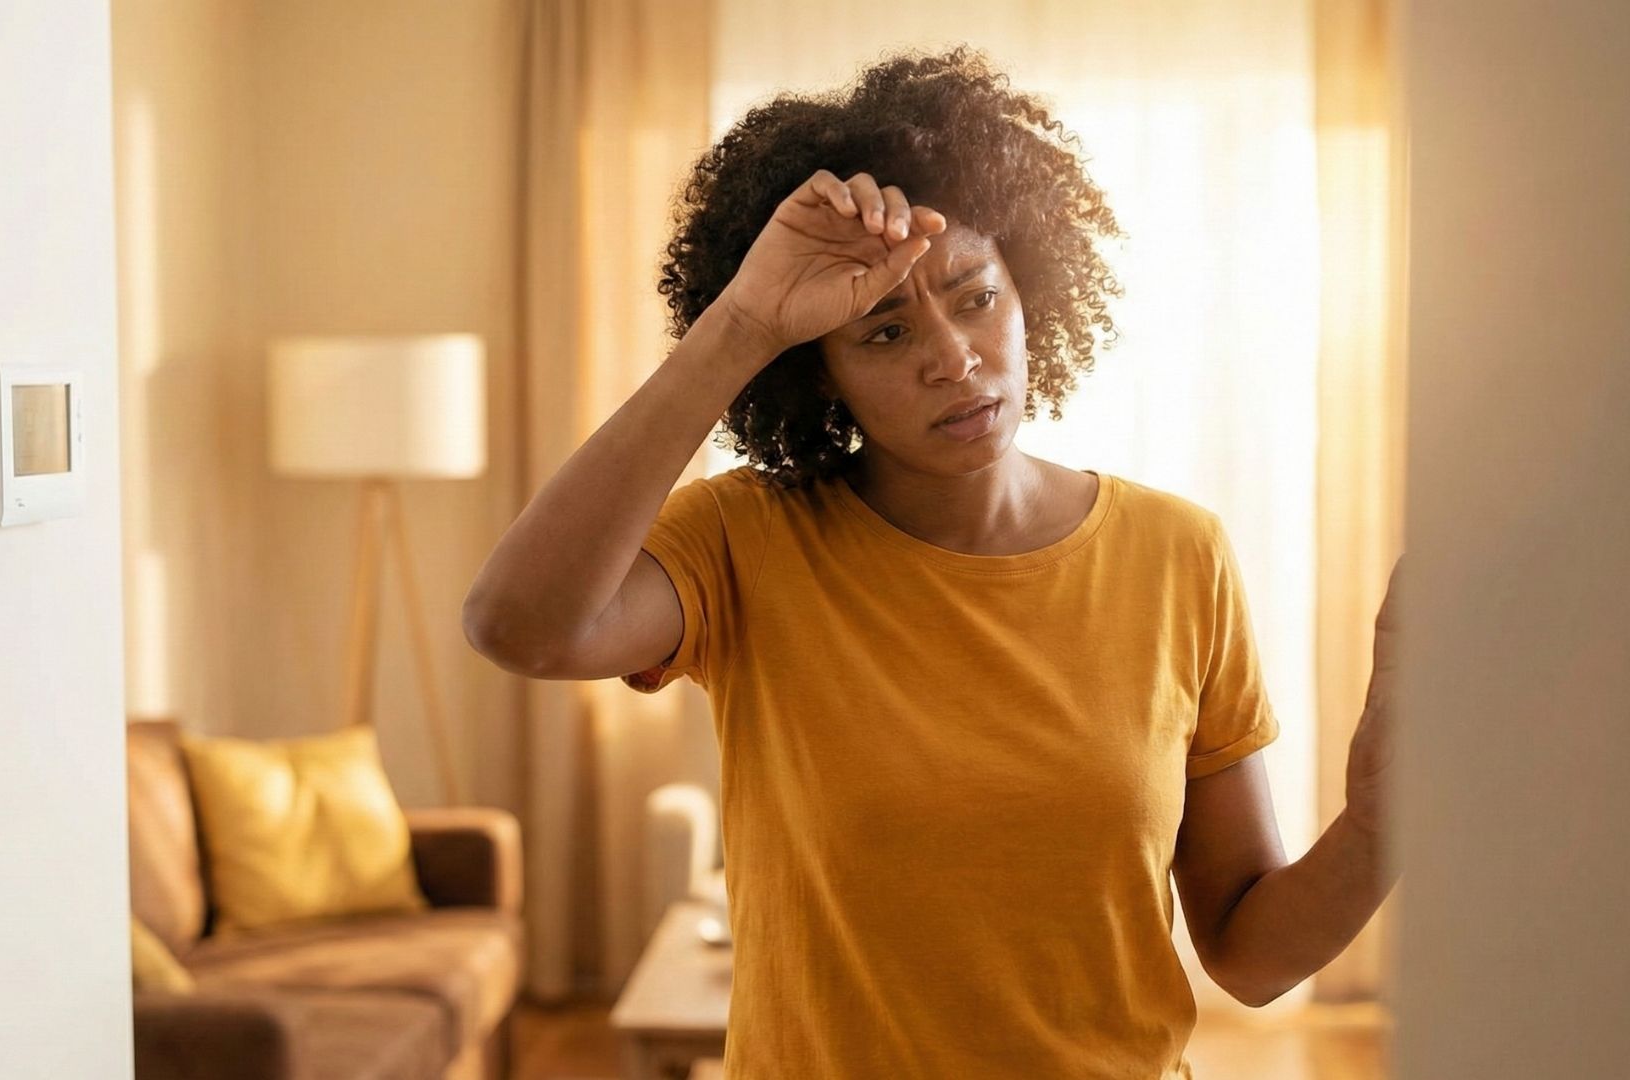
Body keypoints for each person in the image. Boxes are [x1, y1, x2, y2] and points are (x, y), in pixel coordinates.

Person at [464, 45, 1402, 1080]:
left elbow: (1252, 957)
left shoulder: (1180, 552)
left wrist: (1378, 822)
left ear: (1031, 288)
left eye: (974, 296)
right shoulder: (748, 540)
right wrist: (741, 320)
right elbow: (520, 627)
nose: (952, 356)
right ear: (815, 374)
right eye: (882, 331)